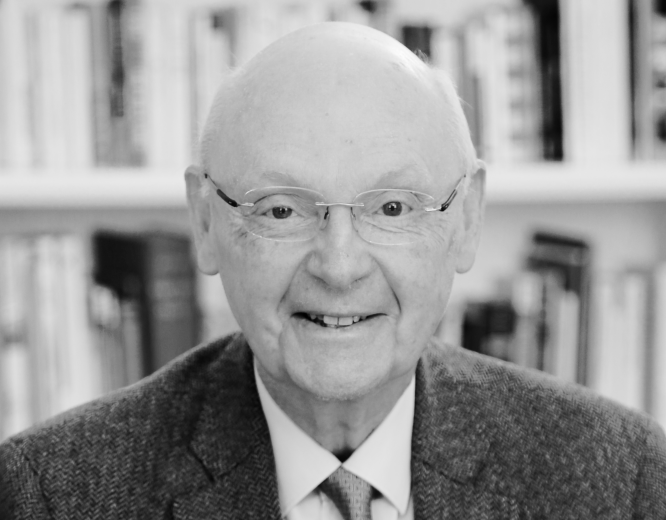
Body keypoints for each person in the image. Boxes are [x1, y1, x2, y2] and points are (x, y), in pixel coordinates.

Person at [1, 22, 665, 520]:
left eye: (393, 207)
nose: (340, 267)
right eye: (282, 210)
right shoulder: (52, 493)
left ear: (466, 218)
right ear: (205, 221)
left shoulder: (622, 479)